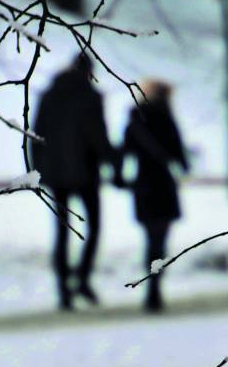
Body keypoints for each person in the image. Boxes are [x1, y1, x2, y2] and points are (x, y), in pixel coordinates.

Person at [32, 52, 117, 310]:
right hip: (86, 174)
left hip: (56, 175)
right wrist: (113, 161)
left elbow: (36, 135)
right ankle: (81, 278)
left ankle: (63, 291)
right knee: (93, 227)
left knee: (61, 232)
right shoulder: (91, 97)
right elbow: (98, 136)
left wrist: (39, 170)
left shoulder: (48, 96)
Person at [118, 79, 188, 312]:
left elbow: (123, 153)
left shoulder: (134, 122)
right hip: (164, 185)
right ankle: (155, 288)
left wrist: (119, 178)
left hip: (143, 186)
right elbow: (180, 156)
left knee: (150, 239)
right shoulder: (167, 120)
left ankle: (151, 288)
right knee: (160, 241)